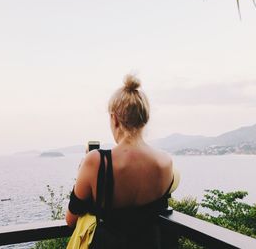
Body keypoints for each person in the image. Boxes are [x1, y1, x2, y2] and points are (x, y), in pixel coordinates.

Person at [66, 74, 177, 249]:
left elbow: (71, 220)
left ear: (114, 118)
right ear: (144, 119)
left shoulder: (96, 161)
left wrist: (82, 172)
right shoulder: (165, 162)